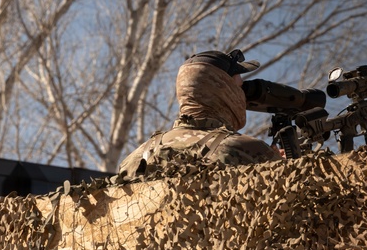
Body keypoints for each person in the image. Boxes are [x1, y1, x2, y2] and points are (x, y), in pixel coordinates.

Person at [117, 49, 281, 181]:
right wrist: (283, 163)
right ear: (225, 90)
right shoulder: (246, 149)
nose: (243, 95)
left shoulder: (137, 157)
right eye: (239, 87)